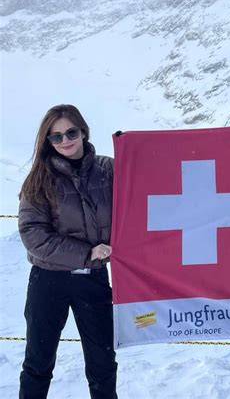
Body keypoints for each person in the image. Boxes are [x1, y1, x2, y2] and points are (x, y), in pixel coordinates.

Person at [18, 104, 118, 399]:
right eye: (56, 137)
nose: (65, 141)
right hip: (48, 281)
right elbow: (33, 235)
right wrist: (87, 253)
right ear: (47, 142)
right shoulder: (39, 179)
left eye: (71, 132)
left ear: (83, 130)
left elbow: (141, 199)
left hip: (93, 282)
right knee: (39, 361)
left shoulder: (109, 170)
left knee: (102, 363)